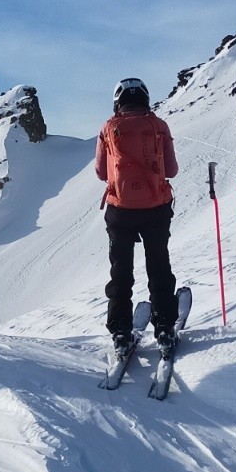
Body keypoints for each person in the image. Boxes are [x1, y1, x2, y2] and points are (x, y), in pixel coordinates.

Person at [95, 77, 180, 355]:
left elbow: (100, 172)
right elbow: (171, 170)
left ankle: (120, 331)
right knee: (159, 265)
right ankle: (165, 327)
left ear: (118, 101)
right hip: (156, 208)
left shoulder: (109, 128)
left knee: (121, 270)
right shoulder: (159, 126)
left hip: (120, 211)